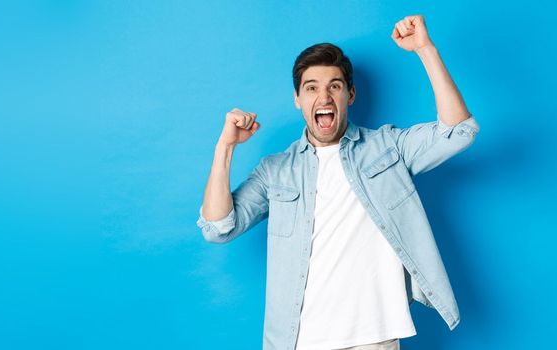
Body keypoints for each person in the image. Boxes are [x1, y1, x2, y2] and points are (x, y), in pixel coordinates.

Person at [196, 15, 479, 350]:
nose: (324, 96)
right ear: (297, 99)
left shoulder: (387, 147)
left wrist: (425, 49)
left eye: (335, 86)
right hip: (300, 340)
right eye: (311, 87)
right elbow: (218, 227)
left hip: (374, 337)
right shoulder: (276, 170)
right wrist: (225, 146)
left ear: (351, 94)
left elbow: (458, 132)